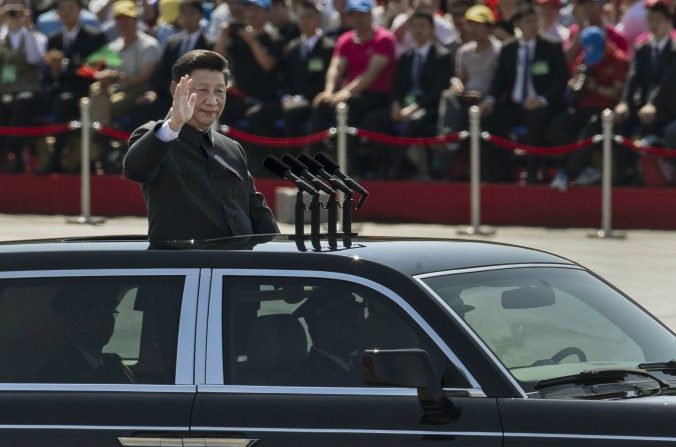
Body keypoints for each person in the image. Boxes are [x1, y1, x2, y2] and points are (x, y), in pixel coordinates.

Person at [123, 50, 279, 243]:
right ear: (176, 89)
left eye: (219, 91)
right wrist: (173, 125)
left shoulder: (231, 148)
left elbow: (257, 213)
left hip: (236, 265)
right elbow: (135, 170)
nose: (212, 101)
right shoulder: (157, 136)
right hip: (186, 267)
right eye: (202, 90)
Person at [479, 3, 568, 182]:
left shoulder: (551, 47)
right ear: (518, 24)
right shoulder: (508, 49)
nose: (534, 25)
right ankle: (499, 171)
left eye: (536, 20)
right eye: (529, 21)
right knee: (487, 119)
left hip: (542, 106)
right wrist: (489, 99)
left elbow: (561, 81)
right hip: (515, 105)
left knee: (535, 117)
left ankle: (533, 171)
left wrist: (542, 99)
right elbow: (499, 80)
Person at [361, 10, 453, 178]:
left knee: (415, 120)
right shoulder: (406, 56)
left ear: (432, 29)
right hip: (404, 107)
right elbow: (397, 86)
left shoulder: (442, 56)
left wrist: (413, 108)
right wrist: (396, 104)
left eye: (422, 26)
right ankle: (402, 165)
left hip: (429, 107)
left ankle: (392, 171)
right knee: (372, 119)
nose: (418, 30)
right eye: (414, 27)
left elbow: (438, 91)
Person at [311, 0, 397, 176]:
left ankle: (352, 167)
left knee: (344, 110)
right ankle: (314, 163)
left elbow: (371, 73)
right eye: (354, 15)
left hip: (377, 96)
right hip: (352, 95)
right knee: (322, 105)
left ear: (371, 15)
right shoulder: (345, 40)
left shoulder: (384, 39)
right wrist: (328, 91)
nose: (358, 19)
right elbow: (336, 67)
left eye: (362, 15)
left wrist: (346, 92)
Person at [548, 26, 629, 192]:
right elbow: (574, 86)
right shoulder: (583, 59)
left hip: (607, 113)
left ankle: (568, 173)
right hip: (582, 109)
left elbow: (619, 95)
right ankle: (587, 167)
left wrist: (596, 88)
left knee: (589, 132)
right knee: (557, 128)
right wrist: (575, 84)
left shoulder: (620, 60)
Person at [39, 0, 107, 173]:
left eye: (71, 7)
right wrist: (54, 70)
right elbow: (47, 72)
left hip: (83, 90)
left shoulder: (95, 36)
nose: (66, 12)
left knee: (64, 102)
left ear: (80, 11)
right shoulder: (53, 38)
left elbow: (94, 70)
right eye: (62, 8)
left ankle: (57, 157)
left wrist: (63, 66)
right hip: (59, 90)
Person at [33, 287, 134, 384]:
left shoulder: (115, 366)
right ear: (75, 319)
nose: (105, 321)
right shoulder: (55, 374)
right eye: (94, 313)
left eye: (110, 312)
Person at [0, 0, 46, 173]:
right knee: (5, 102)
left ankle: (18, 150)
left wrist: (27, 29)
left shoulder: (36, 36)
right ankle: (4, 155)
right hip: (6, 89)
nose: (14, 15)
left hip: (30, 89)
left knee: (22, 101)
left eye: (18, 10)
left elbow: (34, 59)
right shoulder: (2, 36)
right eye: (10, 10)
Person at [295, 287, 366, 386]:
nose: (358, 322)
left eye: (358, 315)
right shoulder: (313, 380)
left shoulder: (358, 365)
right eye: (349, 316)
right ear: (321, 327)